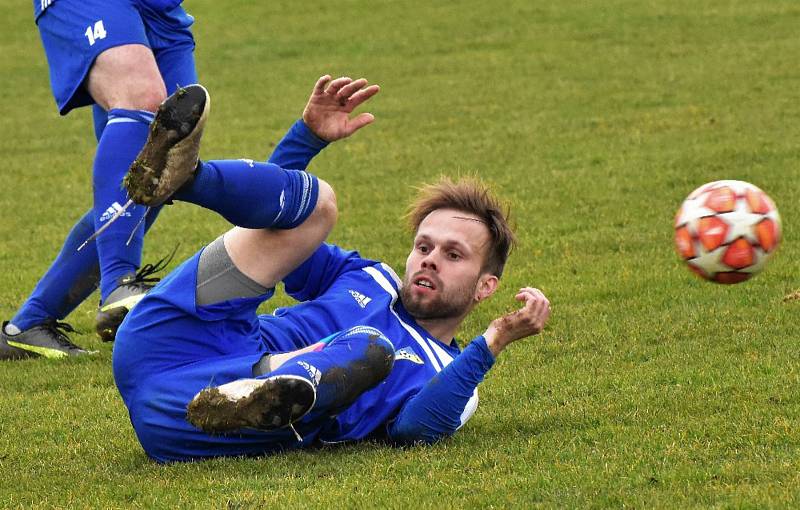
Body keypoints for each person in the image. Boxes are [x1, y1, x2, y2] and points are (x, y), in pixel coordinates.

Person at [112, 74, 551, 463]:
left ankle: (260, 395)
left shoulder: (453, 376)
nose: (430, 259)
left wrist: (493, 341)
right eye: (423, 246)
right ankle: (185, 179)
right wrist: (306, 139)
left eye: (453, 255)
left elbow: (415, 430)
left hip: (202, 421)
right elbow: (276, 223)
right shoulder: (370, 276)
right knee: (318, 206)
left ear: (485, 286)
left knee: (370, 347)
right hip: (164, 343)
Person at [0, 0, 200, 359]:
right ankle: (119, 282)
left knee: (163, 161)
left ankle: (29, 324)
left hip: (161, 8)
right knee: (143, 99)